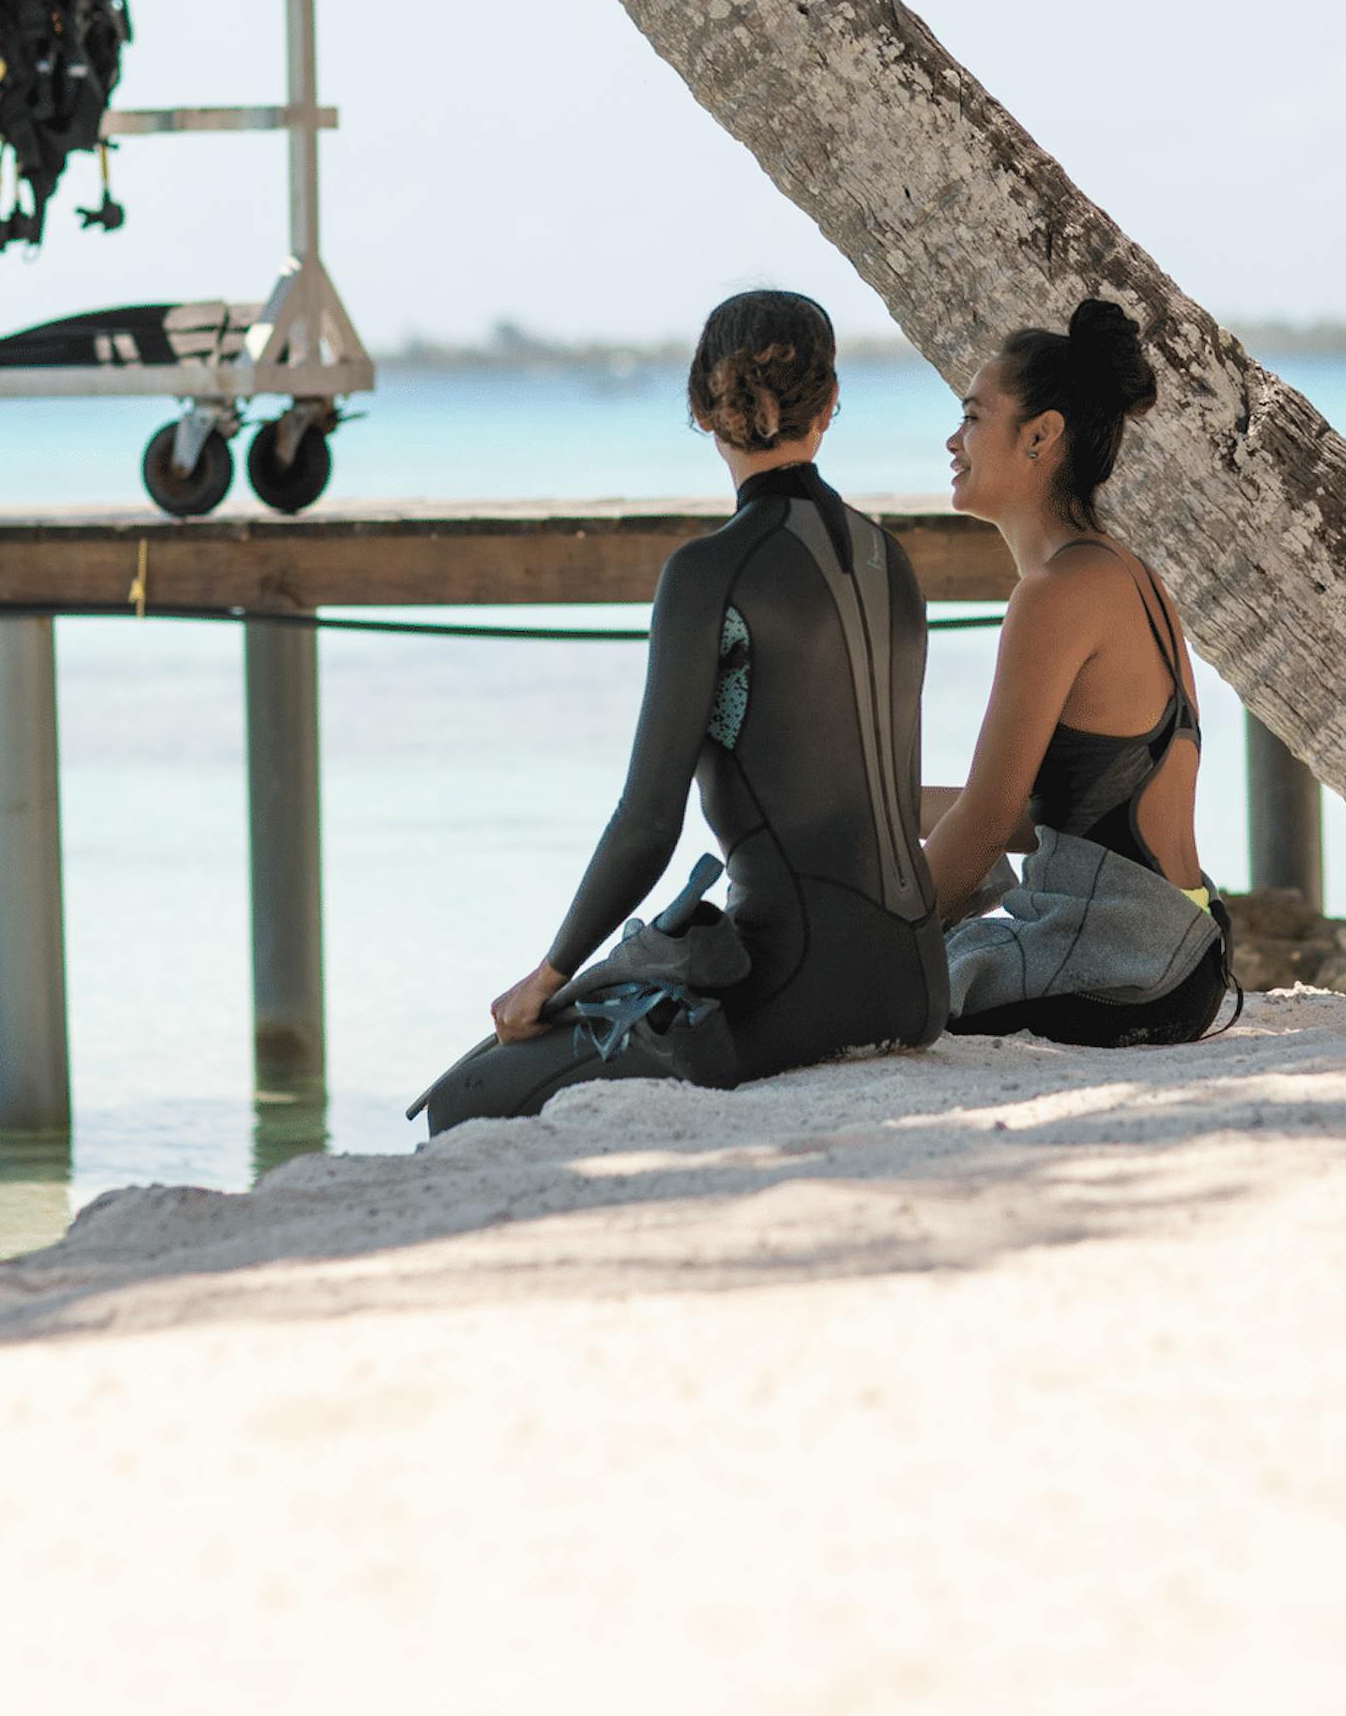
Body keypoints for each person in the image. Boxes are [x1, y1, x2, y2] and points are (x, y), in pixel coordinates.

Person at [418, 291, 944, 1132]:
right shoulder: (895, 559)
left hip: (800, 990)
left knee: (464, 1104)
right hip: (919, 980)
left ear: (702, 408)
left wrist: (546, 978)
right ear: (832, 401)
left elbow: (646, 824)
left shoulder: (709, 575)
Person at [920, 299, 1233, 1046]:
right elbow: (1060, 817)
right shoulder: (1124, 574)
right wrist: (882, 807)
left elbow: (989, 825)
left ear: (1041, 435)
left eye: (971, 417)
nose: (951, 440)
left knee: (873, 984)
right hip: (1174, 954)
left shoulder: (1057, 594)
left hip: (1121, 968)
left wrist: (864, 939)